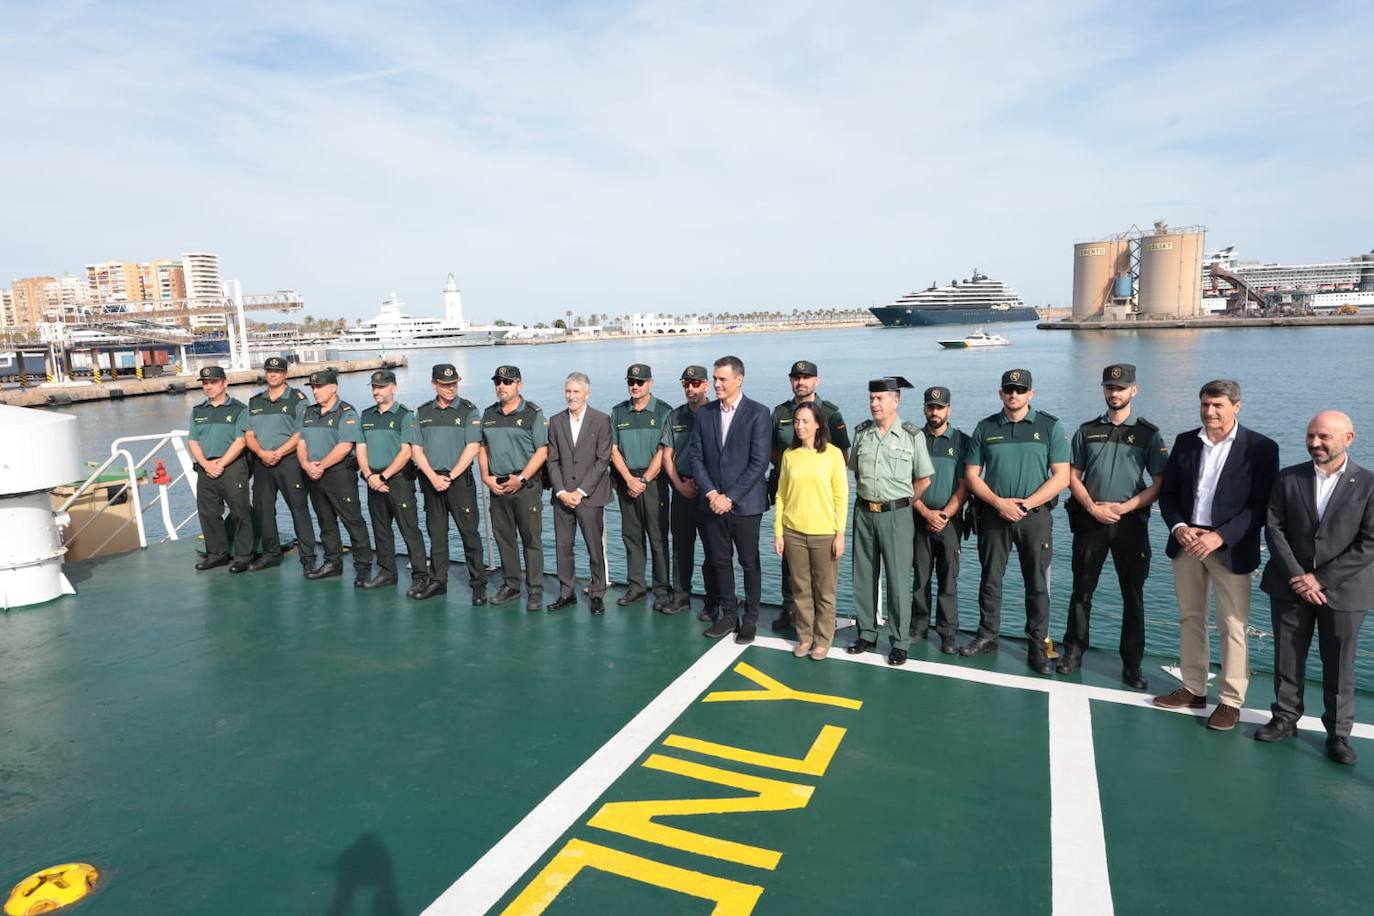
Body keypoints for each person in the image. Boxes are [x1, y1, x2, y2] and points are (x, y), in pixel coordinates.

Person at [1154, 379, 1278, 731]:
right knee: (1190, 617)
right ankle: (1193, 688)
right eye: (1205, 404)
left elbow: (1261, 506)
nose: (1209, 412)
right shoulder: (1185, 442)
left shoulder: (1261, 448)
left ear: (1236, 406)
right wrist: (1180, 527)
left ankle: (1230, 700)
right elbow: (1170, 495)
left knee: (1232, 626)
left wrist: (1220, 537)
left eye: (1218, 405)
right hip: (1187, 541)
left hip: (1231, 548)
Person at [1257, 411, 1372, 764]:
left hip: (1343, 591)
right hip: (1290, 585)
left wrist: (1319, 579)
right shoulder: (1288, 478)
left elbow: (1369, 542)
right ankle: (1285, 718)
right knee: (1288, 655)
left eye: (1323, 437)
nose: (1315, 443)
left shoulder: (1368, 485)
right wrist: (1298, 576)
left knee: (1340, 663)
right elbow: (1273, 528)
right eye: (1311, 436)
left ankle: (1338, 733)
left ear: (1348, 439)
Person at [1057, 364, 1168, 690]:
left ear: (1134, 390)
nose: (1114, 393)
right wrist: (1092, 507)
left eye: (1121, 388)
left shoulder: (1149, 434)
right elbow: (1072, 477)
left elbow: (1158, 483)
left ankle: (1132, 664)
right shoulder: (1086, 431)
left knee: (1132, 595)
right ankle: (1073, 652)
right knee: (1082, 590)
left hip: (1130, 524)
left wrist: (1124, 507)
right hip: (1090, 521)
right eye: (1109, 387)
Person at [961, 368, 1070, 675]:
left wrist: (1025, 505)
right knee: (990, 579)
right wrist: (998, 503)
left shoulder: (1049, 426)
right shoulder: (985, 428)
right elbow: (971, 475)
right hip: (994, 516)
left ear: (1030, 394)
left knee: (1036, 583)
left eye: (1020, 390)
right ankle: (987, 635)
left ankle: (1037, 647)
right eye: (1008, 389)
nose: (1014, 395)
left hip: (1034, 517)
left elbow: (1061, 476)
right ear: (1000, 393)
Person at [847, 377, 934, 666]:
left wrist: (904, 500)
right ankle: (867, 633)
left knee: (897, 579)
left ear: (895, 401)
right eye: (871, 398)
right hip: (864, 512)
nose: (874, 404)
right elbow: (856, 471)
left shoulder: (911, 435)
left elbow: (924, 478)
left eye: (880, 399)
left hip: (897, 515)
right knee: (863, 577)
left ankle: (899, 641)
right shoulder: (862, 433)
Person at [688, 355, 771, 643]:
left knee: (749, 562)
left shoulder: (759, 413)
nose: (716, 384)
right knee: (720, 561)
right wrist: (712, 493)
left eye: (722, 379)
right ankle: (728, 615)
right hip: (712, 503)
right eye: (715, 378)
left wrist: (730, 497)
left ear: (739, 379)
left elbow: (758, 463)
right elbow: (696, 458)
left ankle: (750, 619)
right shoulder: (705, 413)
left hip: (746, 506)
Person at [769, 359, 851, 633]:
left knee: (821, 575)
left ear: (817, 380)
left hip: (819, 503)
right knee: (789, 566)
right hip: (789, 490)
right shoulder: (780, 412)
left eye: (806, 377)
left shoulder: (831, 413)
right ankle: (789, 609)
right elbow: (772, 450)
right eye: (796, 377)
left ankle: (819, 621)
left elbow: (842, 454)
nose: (800, 382)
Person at [410, 364, 487, 603]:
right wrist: (433, 477)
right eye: (445, 385)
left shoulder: (468, 411)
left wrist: (450, 477)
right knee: (437, 534)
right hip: (431, 481)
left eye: (454, 383)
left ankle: (478, 584)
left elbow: (473, 447)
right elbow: (416, 449)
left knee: (469, 534)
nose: (451, 388)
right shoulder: (422, 412)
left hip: (459, 481)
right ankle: (438, 581)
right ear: (434, 384)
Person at [479, 365, 549, 611]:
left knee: (531, 540)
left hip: (525, 486)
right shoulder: (488, 414)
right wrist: (486, 477)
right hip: (498, 486)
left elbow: (542, 450)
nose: (501, 386)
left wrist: (521, 477)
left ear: (519, 384)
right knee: (504, 539)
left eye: (507, 382)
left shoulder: (532, 413)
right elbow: (483, 447)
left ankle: (535, 591)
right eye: (498, 382)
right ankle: (511, 585)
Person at [297, 367, 374, 586]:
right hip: (313, 473)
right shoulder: (310, 412)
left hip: (338, 474)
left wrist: (320, 466)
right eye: (313, 387)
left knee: (352, 520)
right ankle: (333, 562)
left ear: (333, 388)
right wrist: (305, 464)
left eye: (319, 387)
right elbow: (302, 441)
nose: (315, 391)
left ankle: (363, 566)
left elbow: (344, 446)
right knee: (325, 521)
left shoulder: (346, 412)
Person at [357, 369, 429, 595]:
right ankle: (387, 571)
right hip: (373, 480)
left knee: (409, 529)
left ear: (393, 388)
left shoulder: (405, 415)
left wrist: (383, 476)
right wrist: (369, 475)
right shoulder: (366, 416)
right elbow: (361, 448)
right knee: (381, 529)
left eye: (381, 387)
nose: (376, 391)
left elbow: (406, 452)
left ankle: (420, 575)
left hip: (397, 480)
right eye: (374, 387)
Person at [243, 356, 317, 575]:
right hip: (262, 462)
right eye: (269, 371)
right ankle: (271, 554)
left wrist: (279, 452)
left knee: (299, 508)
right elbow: (249, 434)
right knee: (264, 510)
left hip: (289, 462)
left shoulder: (297, 399)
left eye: (277, 371)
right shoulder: (255, 401)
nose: (272, 374)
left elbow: (301, 432)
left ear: (285, 374)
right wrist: (262, 453)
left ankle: (308, 557)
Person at [546, 372, 612, 614]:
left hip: (590, 496)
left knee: (594, 546)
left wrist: (581, 491)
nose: (570, 396)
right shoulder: (555, 422)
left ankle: (597, 593)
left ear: (587, 393)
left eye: (575, 392)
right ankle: (567, 592)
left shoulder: (601, 420)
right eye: (568, 391)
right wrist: (562, 491)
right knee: (563, 547)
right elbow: (552, 461)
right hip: (562, 497)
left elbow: (602, 459)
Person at [911, 385, 969, 655]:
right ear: (924, 408)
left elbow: (964, 485)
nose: (934, 412)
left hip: (949, 521)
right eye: (930, 407)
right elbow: (905, 483)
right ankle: (919, 627)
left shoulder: (961, 441)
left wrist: (945, 514)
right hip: (919, 517)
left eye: (940, 407)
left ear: (949, 409)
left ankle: (947, 633)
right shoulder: (914, 439)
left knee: (948, 579)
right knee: (921, 578)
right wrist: (924, 511)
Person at [609, 364, 673, 608]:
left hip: (653, 484)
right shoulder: (618, 412)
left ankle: (661, 591)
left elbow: (664, 450)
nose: (635, 386)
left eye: (640, 382)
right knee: (631, 538)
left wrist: (644, 479)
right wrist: (628, 479)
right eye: (631, 382)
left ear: (650, 383)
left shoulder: (665, 411)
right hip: (627, 483)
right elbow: (613, 449)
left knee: (657, 539)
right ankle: (636, 588)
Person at [660, 365, 719, 619]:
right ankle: (681, 596)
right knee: (681, 547)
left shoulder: (717, 413)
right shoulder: (675, 417)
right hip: (682, 489)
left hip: (709, 493)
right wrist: (679, 485)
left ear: (706, 385)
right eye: (686, 384)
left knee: (712, 549)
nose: (690, 389)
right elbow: (667, 456)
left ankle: (712, 601)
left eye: (695, 384)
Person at [187, 365, 252, 573]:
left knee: (240, 512)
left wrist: (221, 463)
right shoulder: (198, 411)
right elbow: (193, 441)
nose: (208, 387)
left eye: (213, 382)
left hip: (232, 466)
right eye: (205, 383)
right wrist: (206, 464)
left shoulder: (240, 409)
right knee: (208, 513)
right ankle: (217, 554)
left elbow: (241, 441)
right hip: (206, 467)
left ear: (225, 383)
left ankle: (243, 556)